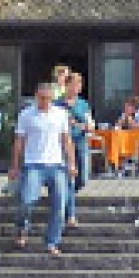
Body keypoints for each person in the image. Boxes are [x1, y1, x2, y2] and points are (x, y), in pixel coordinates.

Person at [10, 77, 76, 256]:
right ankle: (22, 228)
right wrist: (15, 166)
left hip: (56, 164)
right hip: (33, 164)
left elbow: (66, 139)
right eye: (41, 98)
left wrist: (71, 163)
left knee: (60, 204)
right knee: (26, 200)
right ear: (36, 97)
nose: (44, 102)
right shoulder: (26, 114)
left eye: (48, 98)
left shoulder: (61, 114)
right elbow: (19, 141)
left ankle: (52, 241)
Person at [59, 67, 94, 219]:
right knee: (70, 179)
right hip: (64, 144)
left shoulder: (83, 104)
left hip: (80, 141)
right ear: (67, 85)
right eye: (74, 84)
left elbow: (91, 125)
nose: (77, 88)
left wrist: (78, 125)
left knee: (83, 178)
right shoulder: (58, 104)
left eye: (79, 85)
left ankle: (65, 196)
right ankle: (70, 214)